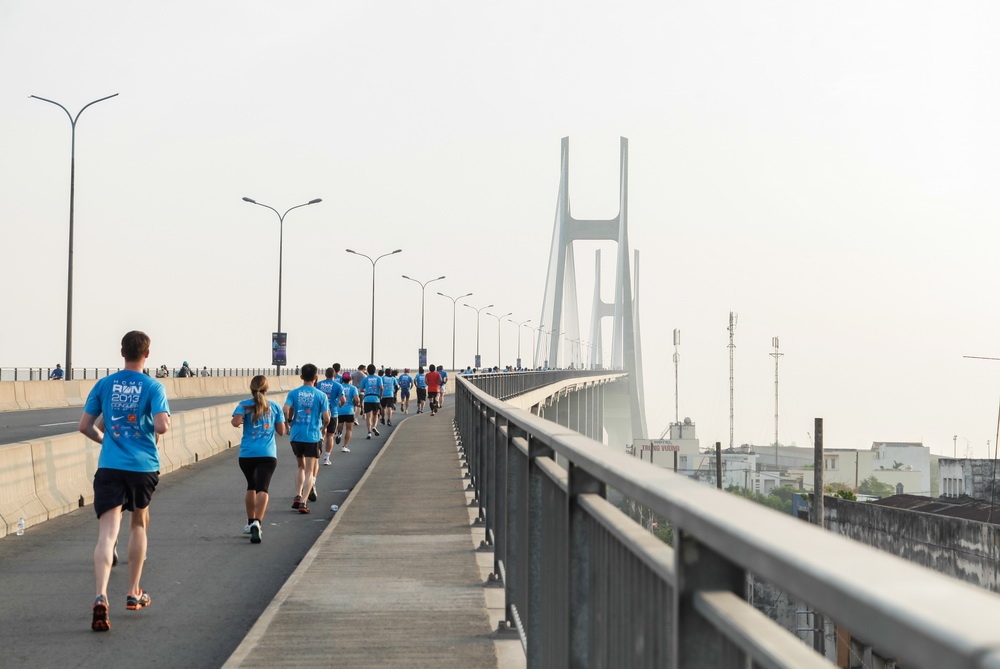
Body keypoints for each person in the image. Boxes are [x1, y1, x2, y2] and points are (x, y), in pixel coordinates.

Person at [78, 330, 171, 632]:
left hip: (110, 465)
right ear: (147, 354)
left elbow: (85, 426)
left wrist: (105, 440)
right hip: (143, 466)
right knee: (139, 523)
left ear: (122, 352)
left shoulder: (104, 384)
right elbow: (162, 426)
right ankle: (133, 592)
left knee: (107, 534)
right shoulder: (153, 386)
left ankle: (100, 595)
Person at [231, 375, 286, 544]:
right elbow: (282, 431)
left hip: (247, 454)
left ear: (251, 388)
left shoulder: (244, 405)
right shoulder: (274, 406)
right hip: (267, 454)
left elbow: (235, 422)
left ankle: (250, 522)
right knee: (263, 488)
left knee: (251, 486)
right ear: (267, 389)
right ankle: (257, 522)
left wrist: (241, 419)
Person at [282, 364, 330, 514]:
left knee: (300, 466)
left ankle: (297, 495)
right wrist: (323, 428)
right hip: (313, 435)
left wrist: (288, 424)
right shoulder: (321, 395)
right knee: (310, 470)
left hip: (296, 434)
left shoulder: (294, 393)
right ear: (316, 377)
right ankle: (303, 501)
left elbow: (285, 409)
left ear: (301, 376)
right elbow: (326, 418)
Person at [317, 368, 345, 466]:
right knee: (330, 435)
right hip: (332, 412)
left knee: (319, 431)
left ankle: (320, 440)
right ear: (334, 375)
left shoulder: (318, 384)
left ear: (325, 374)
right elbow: (343, 400)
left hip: (320, 412)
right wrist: (340, 405)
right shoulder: (338, 386)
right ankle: (326, 458)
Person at [336, 372, 359, 452]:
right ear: (350, 379)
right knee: (349, 429)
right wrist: (356, 404)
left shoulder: (339, 387)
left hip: (339, 409)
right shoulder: (353, 388)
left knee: (340, 425)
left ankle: (339, 433)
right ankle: (344, 446)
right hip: (349, 411)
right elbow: (357, 399)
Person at [359, 363, 382, 439]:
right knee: (376, 414)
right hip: (376, 398)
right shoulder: (378, 378)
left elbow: (361, 389)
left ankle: (369, 432)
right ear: (375, 370)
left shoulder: (365, 379)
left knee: (368, 416)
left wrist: (366, 390)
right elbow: (381, 388)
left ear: (368, 371)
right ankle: (374, 427)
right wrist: (380, 395)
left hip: (367, 398)